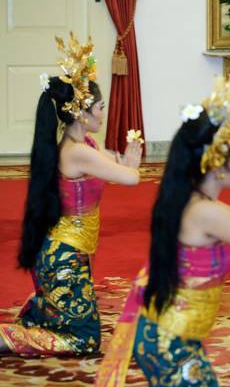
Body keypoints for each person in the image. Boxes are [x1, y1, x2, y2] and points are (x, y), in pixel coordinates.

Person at [85, 74, 230, 387]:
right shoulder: (206, 212)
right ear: (216, 165)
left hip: (173, 334)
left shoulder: (193, 201)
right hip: (168, 340)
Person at [0, 34, 142, 356]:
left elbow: (112, 162)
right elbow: (129, 177)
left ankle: (43, 313)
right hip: (62, 258)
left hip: (67, 254)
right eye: (100, 108)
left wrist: (124, 163)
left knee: (69, 324)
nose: (103, 113)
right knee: (85, 341)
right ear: (82, 114)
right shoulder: (77, 152)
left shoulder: (85, 144)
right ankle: (8, 336)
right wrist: (131, 165)